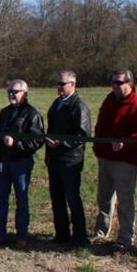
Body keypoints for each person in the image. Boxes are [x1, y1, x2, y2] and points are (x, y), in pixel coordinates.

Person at [0, 79, 44, 248]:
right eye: (9, 91)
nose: (11, 94)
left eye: (15, 91)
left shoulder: (32, 114)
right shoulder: (4, 113)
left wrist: (16, 144)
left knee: (21, 199)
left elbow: (37, 141)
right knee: (0, 199)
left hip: (21, 163)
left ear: (25, 93)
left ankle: (22, 236)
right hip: (3, 161)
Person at [92, 69, 137, 248]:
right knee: (104, 198)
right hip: (105, 157)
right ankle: (101, 232)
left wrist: (125, 144)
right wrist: (97, 146)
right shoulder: (109, 99)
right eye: (113, 82)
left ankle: (125, 238)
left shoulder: (136, 105)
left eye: (119, 83)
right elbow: (100, 124)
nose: (115, 86)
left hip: (124, 160)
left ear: (130, 84)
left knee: (124, 200)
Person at [45, 71, 91, 246]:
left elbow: (82, 135)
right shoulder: (57, 103)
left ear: (73, 84)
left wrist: (61, 144)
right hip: (54, 159)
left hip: (70, 160)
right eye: (57, 83)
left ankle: (80, 237)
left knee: (72, 198)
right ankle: (61, 234)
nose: (59, 87)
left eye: (62, 84)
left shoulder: (79, 106)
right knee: (56, 198)